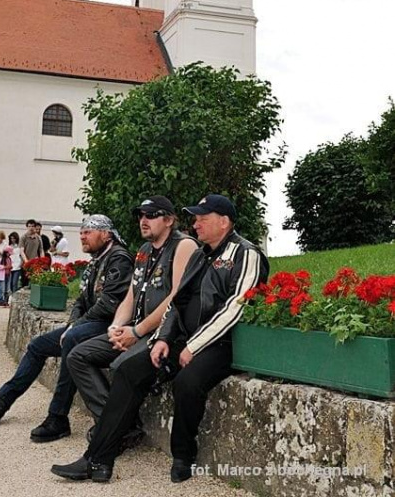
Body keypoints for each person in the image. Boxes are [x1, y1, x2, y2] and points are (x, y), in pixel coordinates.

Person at [51, 194, 269, 484]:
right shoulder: (202, 254)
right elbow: (178, 302)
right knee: (129, 371)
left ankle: (183, 455)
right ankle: (97, 459)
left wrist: (193, 346)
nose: (196, 223)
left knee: (187, 382)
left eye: (202, 218)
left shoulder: (245, 254)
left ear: (224, 221)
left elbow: (236, 308)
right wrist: (164, 338)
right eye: (195, 217)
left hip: (222, 343)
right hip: (185, 339)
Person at [0, 214, 134, 443]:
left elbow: (109, 304)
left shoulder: (119, 259)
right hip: (90, 323)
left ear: (106, 234)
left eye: (88, 232)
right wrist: (74, 322)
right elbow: (82, 301)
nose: (82, 236)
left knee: (72, 339)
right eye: (81, 231)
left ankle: (57, 418)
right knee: (37, 346)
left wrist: (75, 326)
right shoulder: (98, 258)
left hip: (111, 325)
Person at [61, 196, 198, 446]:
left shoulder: (183, 245)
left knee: (121, 366)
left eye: (151, 215)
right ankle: (119, 427)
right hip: (136, 329)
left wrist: (137, 331)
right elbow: (131, 295)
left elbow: (175, 299)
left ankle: (112, 430)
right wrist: (116, 327)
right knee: (78, 355)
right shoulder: (145, 251)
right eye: (141, 216)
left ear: (169, 220)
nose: (143, 221)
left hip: (164, 335)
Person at [19, 219, 43, 285]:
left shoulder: (38, 238)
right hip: (25, 263)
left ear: (35, 227)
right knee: (24, 281)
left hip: (35, 262)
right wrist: (26, 261)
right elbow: (21, 251)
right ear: (27, 227)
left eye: (32, 226)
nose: (31, 228)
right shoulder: (23, 237)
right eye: (29, 226)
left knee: (35, 281)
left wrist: (42, 260)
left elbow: (41, 250)